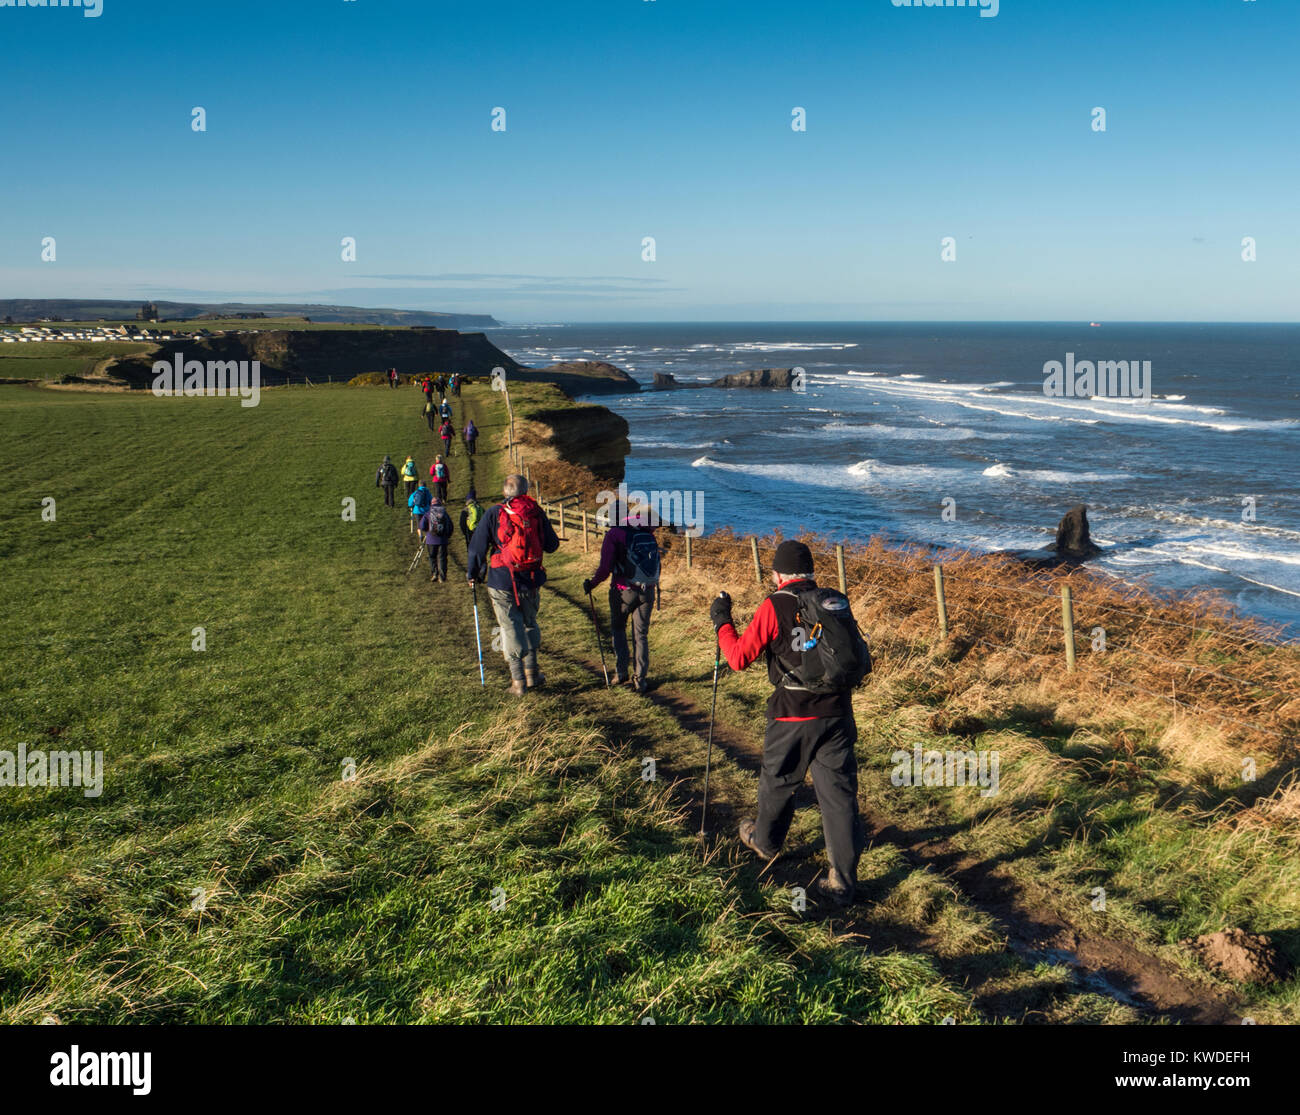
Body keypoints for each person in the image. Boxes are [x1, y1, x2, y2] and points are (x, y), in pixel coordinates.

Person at [710, 540, 872, 908]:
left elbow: (737, 658)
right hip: (837, 711)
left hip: (792, 713)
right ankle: (842, 883)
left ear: (777, 575)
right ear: (811, 573)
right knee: (838, 796)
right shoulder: (831, 602)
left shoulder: (775, 604)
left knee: (778, 782)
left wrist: (722, 621)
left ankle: (766, 843)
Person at [466, 474, 560, 696]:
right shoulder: (535, 511)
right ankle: (533, 674)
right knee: (529, 622)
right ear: (526, 490)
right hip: (531, 579)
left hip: (502, 579)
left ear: (505, 491)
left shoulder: (494, 513)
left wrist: (474, 573)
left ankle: (518, 683)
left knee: (510, 627)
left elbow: (477, 547)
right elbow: (552, 545)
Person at [582, 510, 660, 692]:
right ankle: (640, 679)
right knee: (640, 635)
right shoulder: (647, 533)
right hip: (647, 591)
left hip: (623, 590)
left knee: (618, 629)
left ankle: (621, 672)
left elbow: (605, 568)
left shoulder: (615, 534)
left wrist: (592, 584)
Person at [418, 496, 454, 582]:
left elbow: (422, 526)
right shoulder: (444, 513)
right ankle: (442, 576)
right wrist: (447, 536)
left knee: (432, 557)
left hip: (431, 540)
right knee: (442, 558)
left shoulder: (428, 513)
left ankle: (434, 574)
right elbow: (450, 526)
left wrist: (427, 530)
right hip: (442, 540)